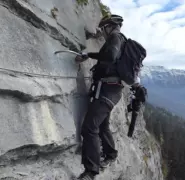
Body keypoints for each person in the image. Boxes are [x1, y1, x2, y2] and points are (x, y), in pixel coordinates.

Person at [74, 14, 126, 180]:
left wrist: (89, 55)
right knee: (103, 125)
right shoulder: (121, 39)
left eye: (102, 28)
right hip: (112, 90)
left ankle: (91, 171)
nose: (101, 32)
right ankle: (110, 154)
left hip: (107, 91)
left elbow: (110, 56)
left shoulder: (115, 37)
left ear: (108, 26)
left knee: (89, 128)